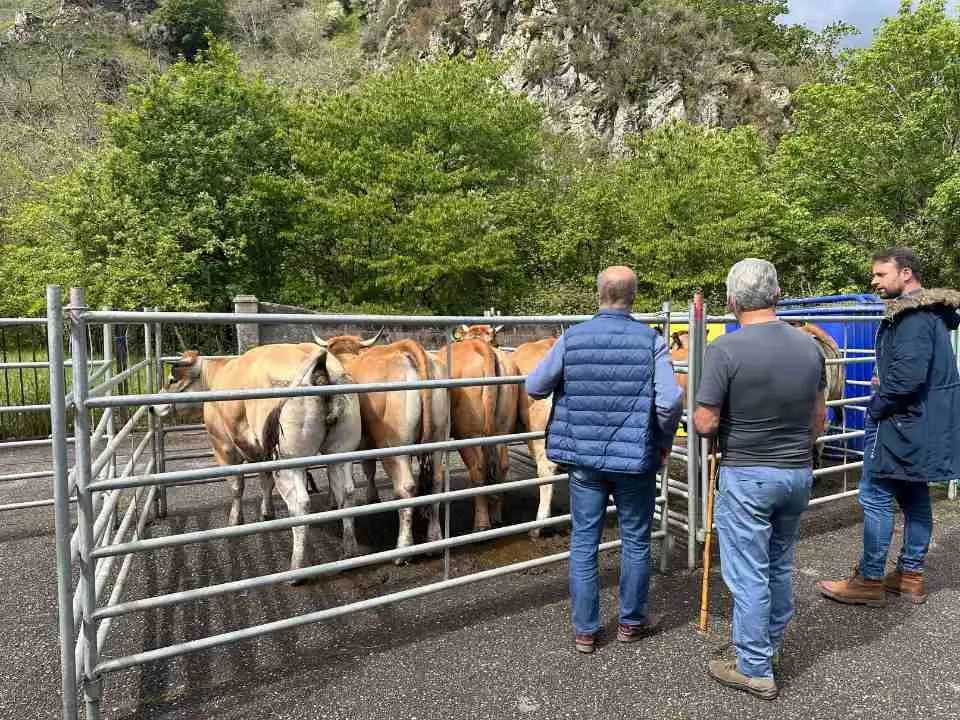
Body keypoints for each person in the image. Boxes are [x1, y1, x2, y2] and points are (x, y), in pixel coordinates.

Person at [525, 265, 684, 654]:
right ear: (633, 296)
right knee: (635, 541)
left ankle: (586, 631)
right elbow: (669, 401)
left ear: (599, 294)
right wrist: (662, 442)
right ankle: (630, 623)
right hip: (635, 462)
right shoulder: (651, 341)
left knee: (584, 543)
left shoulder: (573, 338)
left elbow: (534, 386)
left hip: (584, 461)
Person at [693, 258, 827, 701]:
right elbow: (820, 422)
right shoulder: (809, 347)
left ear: (731, 302)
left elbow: (705, 422)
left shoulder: (725, 350)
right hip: (796, 473)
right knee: (779, 563)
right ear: (777, 295)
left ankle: (754, 668)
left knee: (749, 572)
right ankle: (768, 649)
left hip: (748, 474)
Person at [817, 247, 960, 607]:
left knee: (876, 495)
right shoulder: (932, 316)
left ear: (906, 274)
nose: (874, 281)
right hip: (922, 422)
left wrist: (876, 408)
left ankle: (869, 578)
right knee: (914, 496)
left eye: (881, 274)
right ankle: (910, 576)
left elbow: (906, 379)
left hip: (900, 421)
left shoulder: (912, 318)